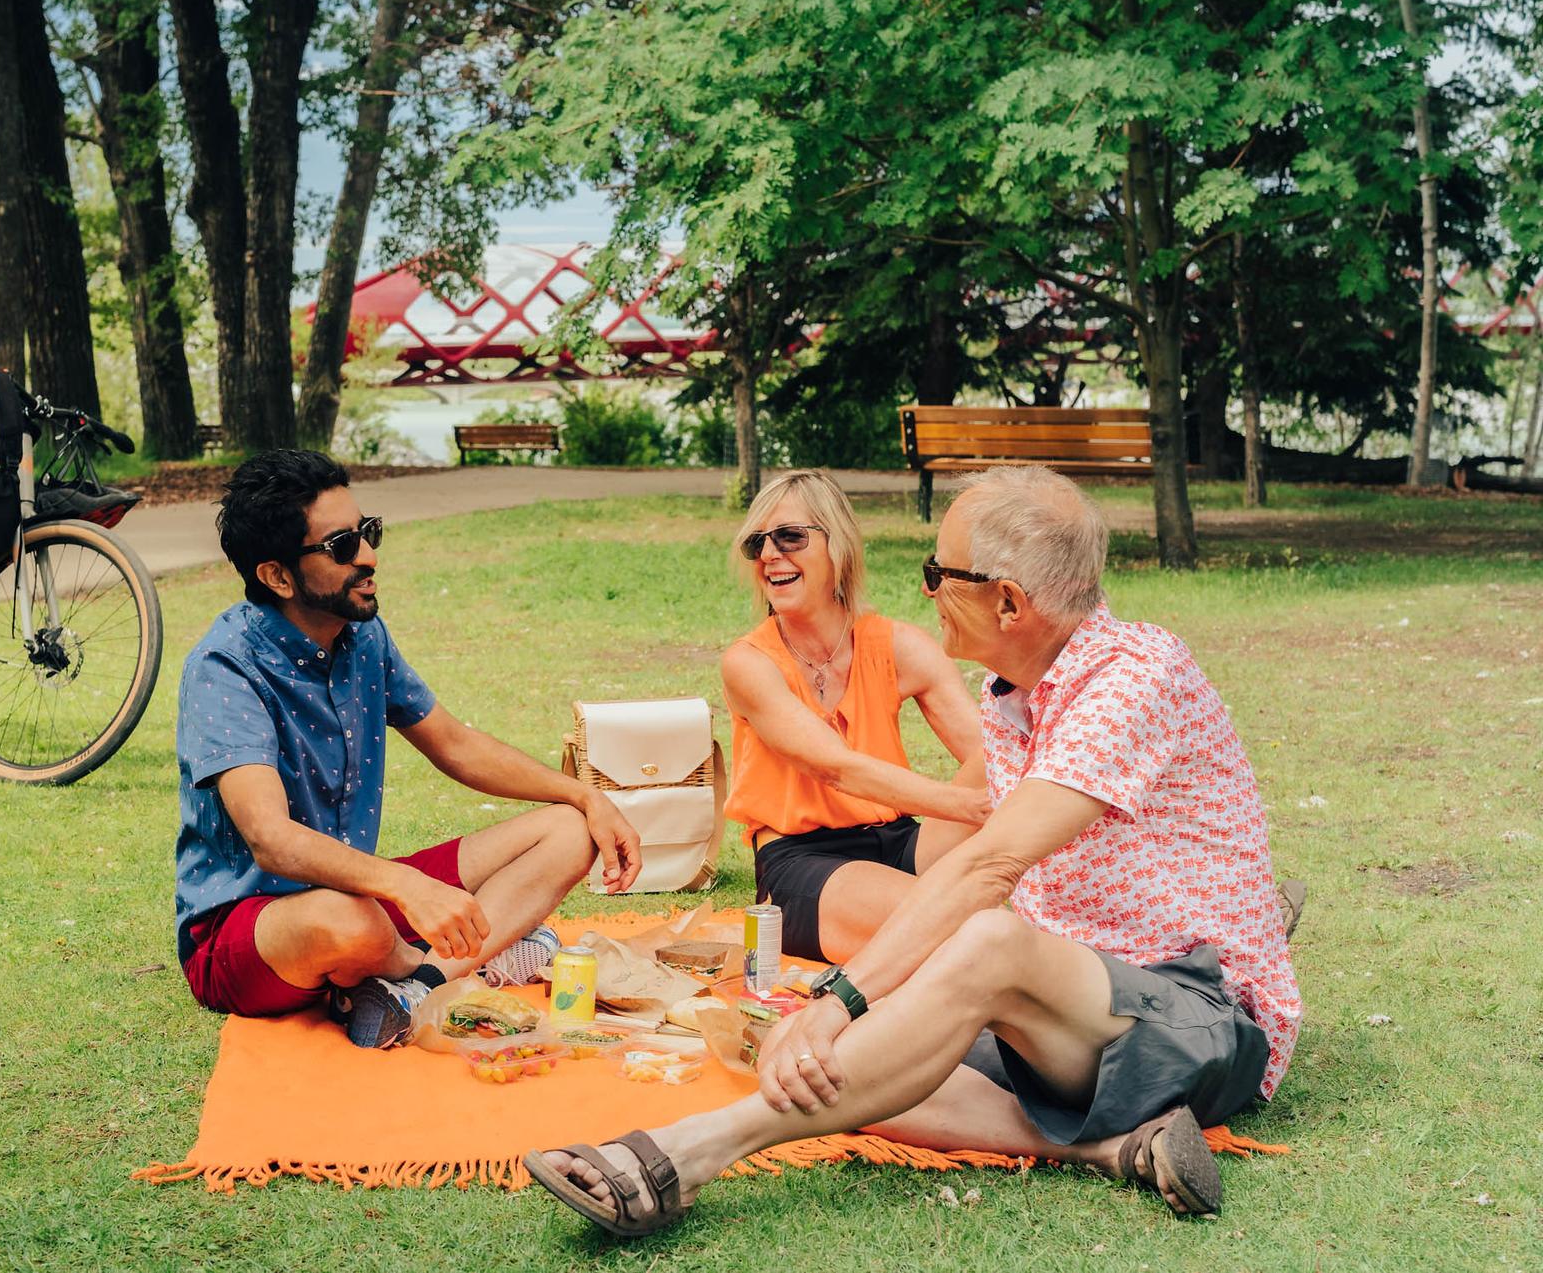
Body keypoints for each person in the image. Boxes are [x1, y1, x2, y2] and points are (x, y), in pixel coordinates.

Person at [525, 465, 1303, 1230]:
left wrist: (839, 998)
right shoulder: (1016, 695)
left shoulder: (1131, 677)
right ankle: (1109, 1148)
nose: (926, 588)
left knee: (976, 944)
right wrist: (837, 1008)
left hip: (1200, 1021)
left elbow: (989, 862)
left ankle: (689, 1151)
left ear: (1007, 602)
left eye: (940, 571)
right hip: (1071, 1014)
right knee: (826, 1054)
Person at [173, 450, 642, 1049]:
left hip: (361, 894)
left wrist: (586, 795)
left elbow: (456, 744)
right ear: (277, 576)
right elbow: (272, 839)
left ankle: (413, 983)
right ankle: (448, 965)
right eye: (342, 545)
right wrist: (408, 886)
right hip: (249, 931)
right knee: (351, 921)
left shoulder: (362, 635)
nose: (368, 557)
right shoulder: (226, 666)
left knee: (569, 830)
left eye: (368, 533)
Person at [722, 471, 993, 963]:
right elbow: (836, 768)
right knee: (956, 927)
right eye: (757, 543)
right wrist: (968, 807)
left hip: (901, 840)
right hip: (803, 859)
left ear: (838, 545)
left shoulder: (898, 645)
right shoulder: (749, 664)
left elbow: (989, 754)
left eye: (790, 537)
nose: (768, 555)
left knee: (1006, 754)